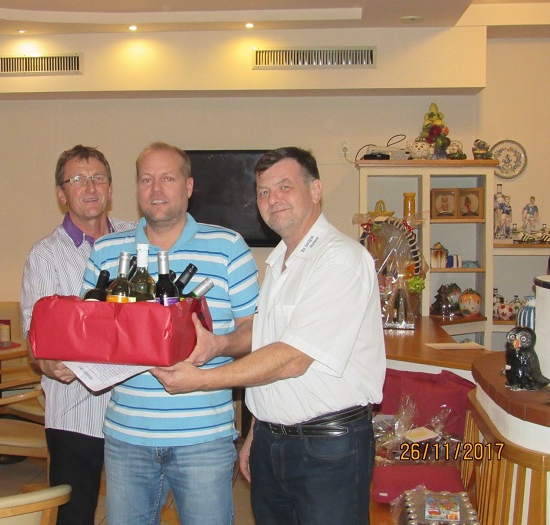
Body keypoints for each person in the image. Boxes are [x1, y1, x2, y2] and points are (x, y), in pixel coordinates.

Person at [153, 147, 386, 524]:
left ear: (315, 190)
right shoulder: (279, 263)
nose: (272, 198)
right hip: (273, 442)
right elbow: (267, 349)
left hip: (328, 448)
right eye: (263, 191)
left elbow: (292, 358)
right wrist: (258, 431)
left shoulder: (340, 259)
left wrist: (201, 380)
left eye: (285, 186)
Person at [82, 142, 260, 525]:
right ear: (136, 188)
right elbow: (87, 332)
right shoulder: (107, 252)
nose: (156, 189)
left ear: (189, 186)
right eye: (146, 180)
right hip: (127, 437)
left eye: (168, 178)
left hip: (204, 439)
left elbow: (256, 330)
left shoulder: (228, 247)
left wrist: (220, 344)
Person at [21, 145, 135, 525]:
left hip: (137, 408)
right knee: (74, 516)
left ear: (110, 189)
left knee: (137, 513)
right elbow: (37, 338)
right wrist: (47, 362)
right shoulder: (46, 256)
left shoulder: (137, 239)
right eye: (77, 179)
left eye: (98, 178)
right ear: (61, 193)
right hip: (75, 412)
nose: (90, 187)